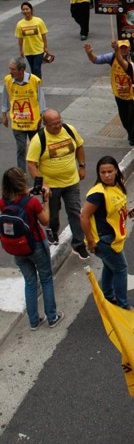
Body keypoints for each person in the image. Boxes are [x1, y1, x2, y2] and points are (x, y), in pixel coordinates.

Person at [0, 166, 62, 329]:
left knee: (30, 282)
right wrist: (46, 200)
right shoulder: (32, 202)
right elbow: (45, 221)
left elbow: (16, 202)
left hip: (17, 248)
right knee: (46, 279)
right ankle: (52, 317)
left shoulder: (3, 202)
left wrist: (27, 192)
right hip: (36, 245)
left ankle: (34, 321)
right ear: (21, 182)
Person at [80, 155, 134, 313]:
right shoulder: (97, 193)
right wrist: (91, 241)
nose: (106, 175)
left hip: (113, 238)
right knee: (121, 269)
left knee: (109, 266)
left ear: (116, 171)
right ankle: (123, 305)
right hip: (104, 241)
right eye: (103, 172)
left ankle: (108, 296)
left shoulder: (117, 185)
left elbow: (114, 206)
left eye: (109, 171)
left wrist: (127, 211)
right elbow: (84, 216)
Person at [26, 109, 88, 257]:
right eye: (54, 124)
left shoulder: (69, 130)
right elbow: (31, 163)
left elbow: (79, 146)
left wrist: (82, 166)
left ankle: (78, 244)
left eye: (59, 122)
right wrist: (42, 184)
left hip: (71, 182)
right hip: (51, 186)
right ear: (45, 124)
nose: (58, 126)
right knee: (52, 215)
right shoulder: (39, 139)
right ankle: (53, 233)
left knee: (75, 212)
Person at [84, 40, 134, 145]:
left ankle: (133, 135)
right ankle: (130, 132)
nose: (123, 50)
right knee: (124, 117)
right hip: (119, 93)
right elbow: (95, 60)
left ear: (130, 47)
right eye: (121, 47)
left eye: (125, 47)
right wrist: (89, 53)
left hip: (133, 94)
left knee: (133, 115)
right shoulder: (111, 57)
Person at [2, 57, 46, 171]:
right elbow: (5, 98)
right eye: (10, 69)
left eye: (13, 69)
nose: (10, 72)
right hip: (17, 122)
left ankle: (38, 170)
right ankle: (22, 173)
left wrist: (43, 115)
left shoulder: (34, 80)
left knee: (36, 147)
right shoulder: (8, 80)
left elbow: (41, 99)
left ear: (21, 70)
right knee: (21, 148)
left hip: (33, 122)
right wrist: (4, 114)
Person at [15, 3, 49, 80]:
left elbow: (43, 35)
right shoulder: (20, 24)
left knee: (36, 68)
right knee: (33, 69)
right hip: (28, 51)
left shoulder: (38, 21)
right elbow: (20, 38)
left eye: (27, 9)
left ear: (31, 10)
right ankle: (35, 83)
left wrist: (46, 47)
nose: (25, 11)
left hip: (39, 50)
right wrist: (21, 50)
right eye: (23, 9)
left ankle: (38, 84)